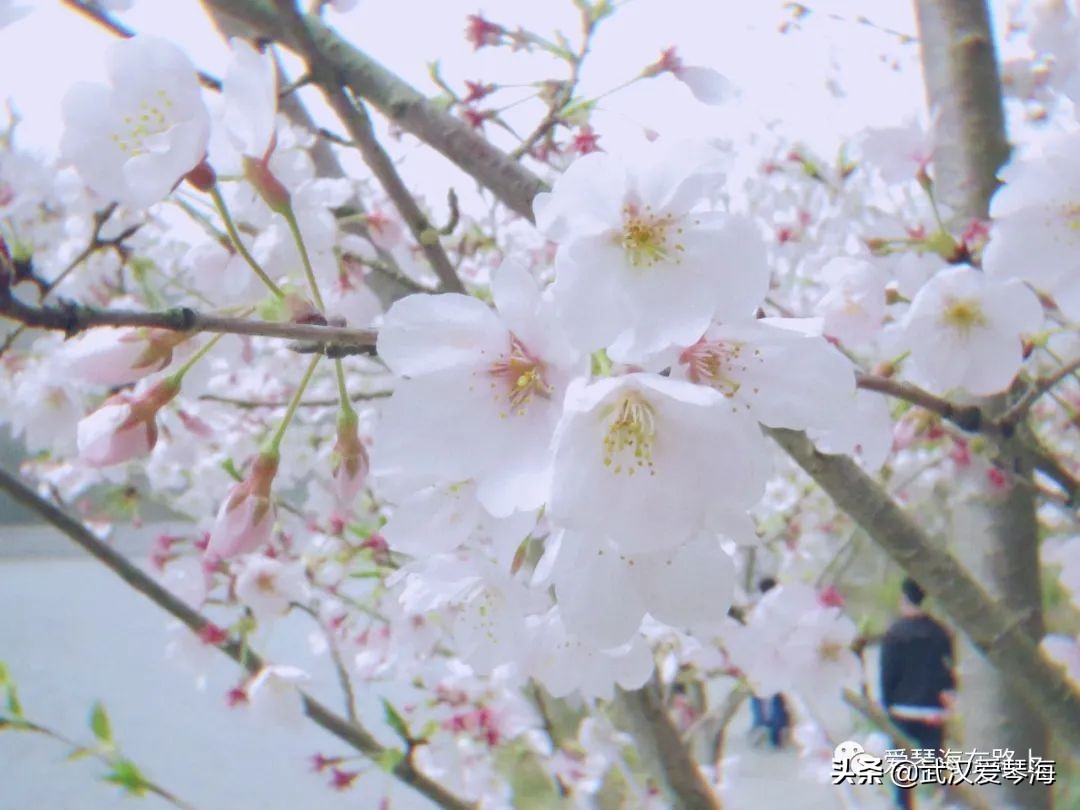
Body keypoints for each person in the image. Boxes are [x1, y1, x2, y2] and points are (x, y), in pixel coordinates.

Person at [880, 577, 957, 809]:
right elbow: (948, 671)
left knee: (902, 769)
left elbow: (887, 674)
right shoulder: (939, 632)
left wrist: (887, 704)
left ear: (903, 599)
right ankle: (943, 802)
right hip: (932, 708)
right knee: (936, 763)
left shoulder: (894, 634)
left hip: (902, 709)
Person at [748, 577, 791, 749]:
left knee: (761, 693)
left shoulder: (758, 611)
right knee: (777, 695)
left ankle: (762, 724)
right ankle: (777, 730)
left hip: (762, 658)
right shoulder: (783, 608)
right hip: (780, 656)